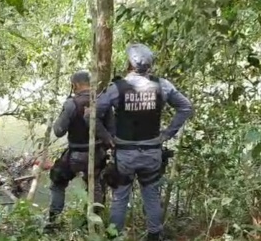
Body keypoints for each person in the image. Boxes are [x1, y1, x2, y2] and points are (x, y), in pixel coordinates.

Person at [91, 43, 193, 240]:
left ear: (129, 64)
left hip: (125, 155)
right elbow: (185, 107)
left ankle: (114, 236)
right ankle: (155, 235)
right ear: (150, 65)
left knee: (120, 198)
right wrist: (166, 134)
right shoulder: (162, 85)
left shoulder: (116, 88)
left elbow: (92, 116)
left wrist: (107, 138)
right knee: (151, 195)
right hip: (152, 153)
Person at [46, 70, 114, 229]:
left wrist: (64, 110)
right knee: (96, 185)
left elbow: (58, 131)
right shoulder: (102, 101)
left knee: (58, 181)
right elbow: (111, 132)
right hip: (97, 155)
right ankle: (93, 222)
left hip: (75, 155)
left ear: (74, 85)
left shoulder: (71, 103)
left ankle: (53, 221)